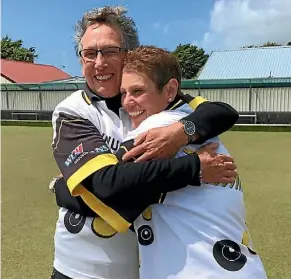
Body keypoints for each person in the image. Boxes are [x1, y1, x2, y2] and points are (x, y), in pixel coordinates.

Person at [50, 6, 239, 279]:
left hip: (143, 268)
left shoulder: (151, 99)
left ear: (129, 54)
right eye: (89, 53)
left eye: (110, 51)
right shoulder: (72, 112)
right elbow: (106, 186)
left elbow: (220, 112)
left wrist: (181, 132)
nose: (99, 62)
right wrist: (193, 169)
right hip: (80, 269)